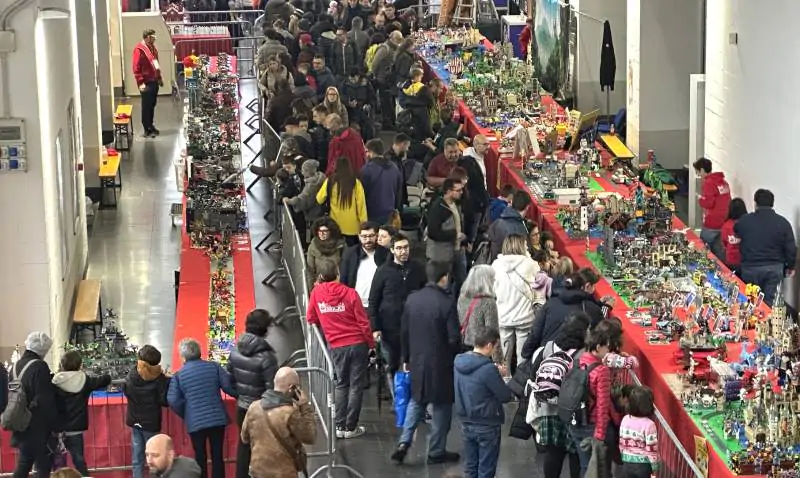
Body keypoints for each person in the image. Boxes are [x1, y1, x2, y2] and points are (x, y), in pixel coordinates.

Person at [392, 261, 461, 465]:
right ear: (444, 277)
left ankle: (404, 442)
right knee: (441, 408)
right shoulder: (447, 302)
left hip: (417, 361)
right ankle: (436, 450)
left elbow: (403, 332)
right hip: (441, 364)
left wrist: (406, 358)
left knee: (416, 400)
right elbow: (453, 338)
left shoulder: (412, 300)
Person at [306, 259, 375, 438]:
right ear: (338, 273)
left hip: (336, 347)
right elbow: (363, 322)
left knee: (341, 384)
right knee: (356, 386)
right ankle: (351, 427)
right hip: (358, 344)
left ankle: (339, 426)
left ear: (320, 276)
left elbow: (311, 317)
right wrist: (371, 344)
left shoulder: (316, 293)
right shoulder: (351, 294)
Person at [527, 313, 590, 478]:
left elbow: (534, 375)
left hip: (548, 409)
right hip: (572, 410)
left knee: (553, 452)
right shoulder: (583, 354)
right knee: (576, 453)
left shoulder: (547, 348)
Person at [168, 338, 237, 478]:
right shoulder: (214, 367)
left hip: (195, 422)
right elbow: (229, 388)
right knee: (217, 455)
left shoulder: (179, 375)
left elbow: (173, 400)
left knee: (200, 457)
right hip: (216, 418)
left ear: (183, 356)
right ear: (199, 352)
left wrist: (187, 413)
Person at [454, 326, 514, 478]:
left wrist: (494, 371)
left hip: (465, 421)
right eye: (495, 346)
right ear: (489, 345)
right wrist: (501, 376)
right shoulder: (488, 370)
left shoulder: (458, 362)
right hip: (487, 423)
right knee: (486, 468)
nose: (495, 350)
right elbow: (505, 396)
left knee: (470, 466)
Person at [227, 310, 279, 478]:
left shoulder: (235, 350)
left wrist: (240, 396)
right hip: (261, 410)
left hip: (242, 408)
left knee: (244, 447)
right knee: (264, 449)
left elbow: (230, 378)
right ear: (264, 329)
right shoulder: (267, 357)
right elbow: (273, 388)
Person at [241, 367, 317, 478]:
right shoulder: (290, 412)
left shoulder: (254, 407)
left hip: (258, 471)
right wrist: (305, 407)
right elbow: (310, 437)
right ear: (292, 388)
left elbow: (244, 437)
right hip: (284, 473)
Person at [568, 321, 622, 474]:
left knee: (585, 466)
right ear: (598, 347)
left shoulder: (576, 362)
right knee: (599, 469)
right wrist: (600, 436)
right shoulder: (601, 370)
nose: (608, 351)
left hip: (575, 422)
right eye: (607, 347)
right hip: (592, 425)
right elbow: (603, 406)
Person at [369, 233, 427, 375]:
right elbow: (374, 299)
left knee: (414, 359)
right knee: (392, 361)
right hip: (390, 325)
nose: (403, 251)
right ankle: (395, 391)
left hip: (414, 322)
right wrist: (375, 327)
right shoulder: (383, 271)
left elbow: (425, 291)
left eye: (406, 247)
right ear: (392, 250)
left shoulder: (417, 268)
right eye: (399, 248)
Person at [522, 268, 609, 359]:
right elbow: (600, 337)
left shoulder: (551, 303)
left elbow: (536, 332)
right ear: (587, 286)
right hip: (572, 362)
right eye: (593, 285)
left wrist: (527, 354)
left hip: (546, 356)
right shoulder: (592, 310)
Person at [52, 351, 112, 476]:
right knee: (79, 461)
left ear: (62, 364)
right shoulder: (86, 381)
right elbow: (104, 380)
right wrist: (107, 375)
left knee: (58, 463)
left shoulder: (54, 382)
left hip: (57, 428)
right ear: (80, 365)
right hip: (76, 429)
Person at [735, 189, 797, 306]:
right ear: (772, 204)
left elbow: (736, 230)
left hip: (750, 268)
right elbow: (790, 248)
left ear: (755, 203)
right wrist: (791, 266)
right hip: (774, 269)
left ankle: (752, 322)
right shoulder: (783, 223)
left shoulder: (745, 220)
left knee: (751, 301)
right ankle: (767, 322)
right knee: (770, 302)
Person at [11, 332, 59, 478]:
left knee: (24, 463)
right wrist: (55, 427)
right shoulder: (40, 367)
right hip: (38, 426)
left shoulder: (15, 366)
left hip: (20, 422)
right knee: (43, 467)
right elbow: (46, 400)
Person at [123, 345, 171, 478]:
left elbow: (125, 391)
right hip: (151, 423)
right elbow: (164, 401)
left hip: (135, 421)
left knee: (137, 458)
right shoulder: (159, 380)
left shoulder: (131, 376)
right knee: (154, 457)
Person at [492, 234, 540, 365]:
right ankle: (520, 382)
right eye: (525, 245)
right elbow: (538, 289)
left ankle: (505, 381)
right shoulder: (531, 265)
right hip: (525, 318)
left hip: (503, 318)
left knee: (503, 361)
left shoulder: (496, 265)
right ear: (520, 246)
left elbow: (493, 290)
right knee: (523, 360)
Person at [427, 178, 468, 297]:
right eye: (459, 190)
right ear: (449, 191)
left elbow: (459, 224)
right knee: (443, 288)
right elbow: (433, 232)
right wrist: (454, 235)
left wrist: (464, 242)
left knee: (462, 283)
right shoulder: (438, 208)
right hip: (442, 255)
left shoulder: (456, 204)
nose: (462, 192)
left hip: (458, 251)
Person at [316, 156, 368, 243]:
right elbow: (361, 206)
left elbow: (319, 199)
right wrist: (364, 224)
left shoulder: (330, 181)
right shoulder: (356, 183)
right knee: (350, 253)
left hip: (335, 225)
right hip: (352, 227)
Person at [340, 222, 389, 307]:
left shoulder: (385, 254)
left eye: (371, 236)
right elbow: (344, 280)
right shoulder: (350, 254)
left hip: (378, 305)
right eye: (364, 236)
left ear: (376, 236)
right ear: (359, 236)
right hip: (354, 304)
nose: (368, 240)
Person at [458, 265, 501, 361]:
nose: (494, 280)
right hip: (482, 349)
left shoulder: (463, 298)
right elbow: (493, 333)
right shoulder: (488, 302)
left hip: (463, 345)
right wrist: (499, 361)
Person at [693, 157, 731, 259]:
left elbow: (708, 203)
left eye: (698, 172)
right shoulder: (724, 182)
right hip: (724, 221)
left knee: (702, 248)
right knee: (719, 250)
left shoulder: (709, 183)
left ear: (701, 169)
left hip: (712, 222)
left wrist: (700, 199)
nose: (698, 175)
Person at [360, 138, 404, 224]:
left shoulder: (366, 170)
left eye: (366, 151)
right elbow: (399, 192)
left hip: (372, 214)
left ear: (371, 152)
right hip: (390, 214)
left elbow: (362, 194)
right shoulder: (394, 168)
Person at [619, 386, 659, 478]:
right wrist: (655, 469)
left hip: (627, 463)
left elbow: (621, 442)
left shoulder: (625, 419)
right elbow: (651, 450)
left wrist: (624, 457)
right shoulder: (649, 424)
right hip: (643, 466)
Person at [132, 29, 163, 137]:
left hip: (154, 80)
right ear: (147, 37)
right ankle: (146, 128)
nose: (154, 39)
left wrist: (159, 78)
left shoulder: (152, 48)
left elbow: (156, 64)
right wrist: (140, 82)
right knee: (146, 106)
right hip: (146, 82)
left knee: (152, 104)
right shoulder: (139, 50)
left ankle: (150, 125)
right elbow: (136, 67)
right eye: (153, 37)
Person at [370, 31, 403, 128]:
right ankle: (386, 123)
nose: (399, 42)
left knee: (389, 102)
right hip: (383, 79)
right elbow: (375, 64)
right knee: (385, 102)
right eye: (397, 39)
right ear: (392, 38)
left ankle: (390, 121)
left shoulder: (394, 48)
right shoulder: (385, 49)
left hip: (389, 80)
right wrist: (376, 75)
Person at [489, 189, 532, 260]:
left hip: (495, 263)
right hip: (509, 267)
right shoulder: (520, 229)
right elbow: (522, 255)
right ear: (527, 207)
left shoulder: (498, 221)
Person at [307, 217, 346, 288]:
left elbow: (345, 267)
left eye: (325, 231)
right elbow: (310, 270)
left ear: (331, 231)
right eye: (319, 231)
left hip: (337, 285)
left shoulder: (341, 246)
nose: (322, 234)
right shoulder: (313, 246)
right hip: (319, 285)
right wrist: (312, 289)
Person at [284, 159, 326, 226]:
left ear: (308, 171)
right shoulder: (320, 179)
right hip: (320, 212)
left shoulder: (312, 186)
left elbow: (303, 201)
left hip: (314, 215)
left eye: (303, 170)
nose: (302, 172)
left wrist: (289, 201)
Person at [720, 197, 747, 275]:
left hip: (731, 260)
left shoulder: (726, 225)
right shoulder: (748, 223)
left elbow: (724, 243)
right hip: (745, 260)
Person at [310, 105, 331, 172]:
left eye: (315, 116)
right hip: (321, 163)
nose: (313, 119)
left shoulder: (332, 129)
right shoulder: (316, 131)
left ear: (323, 115)